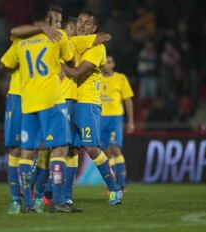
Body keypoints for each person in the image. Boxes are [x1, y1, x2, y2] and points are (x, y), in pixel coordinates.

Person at [2, 0, 74, 213]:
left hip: (28, 100)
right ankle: (59, 201)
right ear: (49, 16)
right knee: (60, 148)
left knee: (27, 151)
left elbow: (5, 64)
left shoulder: (21, 40)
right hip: (51, 99)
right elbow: (70, 62)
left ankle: (26, 203)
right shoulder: (58, 36)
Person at [62, 9, 123, 205]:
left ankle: (115, 189)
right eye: (79, 20)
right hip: (70, 101)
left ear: (94, 28)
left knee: (91, 148)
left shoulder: (98, 48)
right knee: (71, 149)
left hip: (87, 103)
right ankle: (68, 196)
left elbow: (79, 73)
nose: (81, 25)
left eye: (87, 23)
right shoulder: (74, 44)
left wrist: (59, 65)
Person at [100, 55, 134, 191]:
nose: (107, 65)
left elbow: (128, 100)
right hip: (100, 118)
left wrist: (131, 121)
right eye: (105, 62)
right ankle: (113, 186)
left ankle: (122, 184)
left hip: (115, 118)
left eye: (109, 62)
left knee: (115, 147)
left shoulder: (120, 78)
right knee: (106, 152)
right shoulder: (96, 78)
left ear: (113, 64)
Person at [0, 41, 23, 214]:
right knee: (15, 149)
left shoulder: (56, 40)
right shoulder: (21, 41)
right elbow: (4, 64)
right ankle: (16, 199)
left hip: (42, 96)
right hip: (18, 96)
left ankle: (36, 196)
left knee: (41, 147)